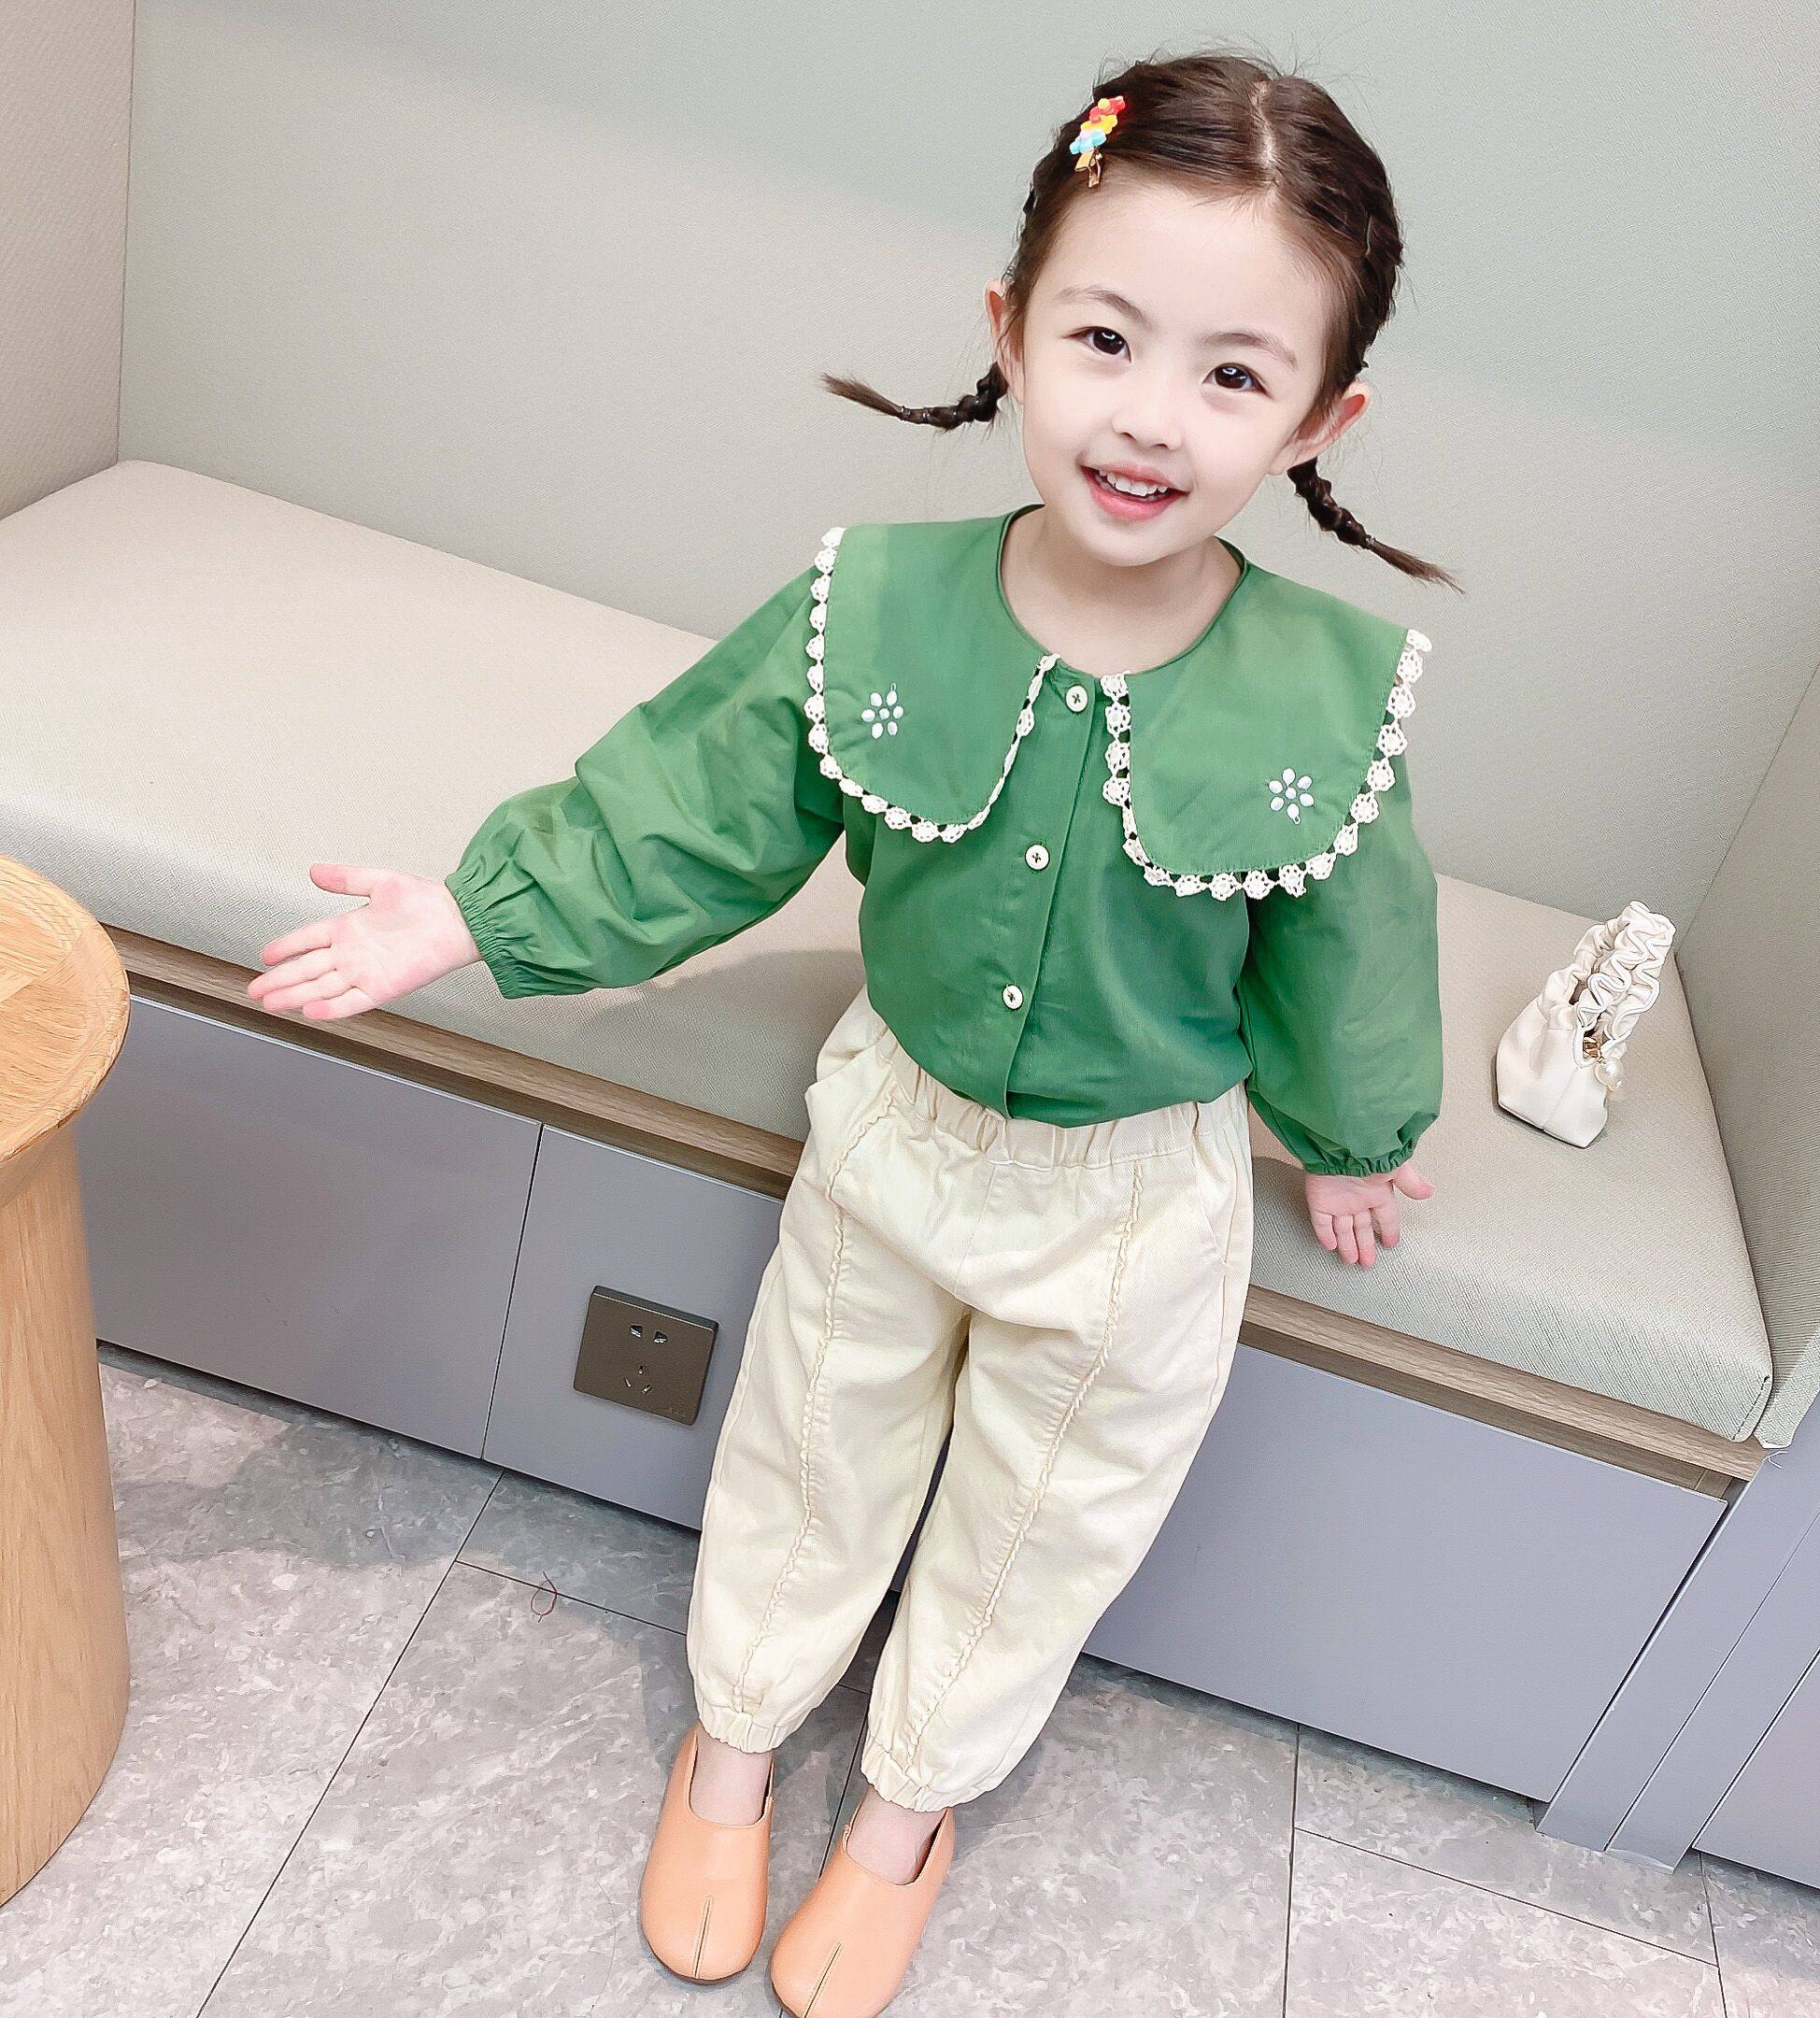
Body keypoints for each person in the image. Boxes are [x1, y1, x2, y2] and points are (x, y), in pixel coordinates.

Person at [246, 48, 1455, 2018]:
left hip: (1139, 1203)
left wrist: (1358, 1132)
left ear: (1324, 415)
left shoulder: (1335, 696)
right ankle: (730, 1749)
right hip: (893, 1138)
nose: (1151, 417)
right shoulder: (870, 605)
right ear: (1010, 325)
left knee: (1042, 1527)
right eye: (1105, 338)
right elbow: (690, 804)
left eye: (1235, 374)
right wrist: (471, 913)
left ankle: (905, 1814)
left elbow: (1353, 949)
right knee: (811, 1445)